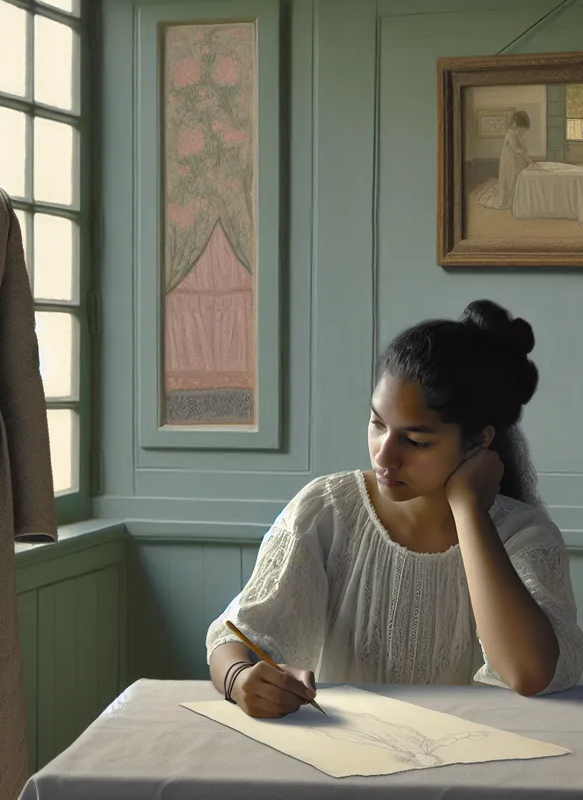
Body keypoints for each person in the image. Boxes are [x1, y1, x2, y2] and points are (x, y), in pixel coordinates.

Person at [206, 300, 583, 718]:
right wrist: (239, 677)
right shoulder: (327, 511)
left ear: (480, 441)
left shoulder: (523, 534)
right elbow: (234, 634)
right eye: (378, 424)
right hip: (344, 746)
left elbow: (530, 673)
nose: (384, 456)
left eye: (416, 441)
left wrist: (469, 510)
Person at [478, 111, 541, 210]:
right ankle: (512, 198)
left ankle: (519, 197)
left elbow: (523, 149)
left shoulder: (518, 133)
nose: (523, 131)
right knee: (511, 179)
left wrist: (529, 161)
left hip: (518, 160)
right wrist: (531, 162)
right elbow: (518, 150)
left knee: (518, 179)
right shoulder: (511, 133)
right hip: (510, 161)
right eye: (522, 128)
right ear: (519, 124)